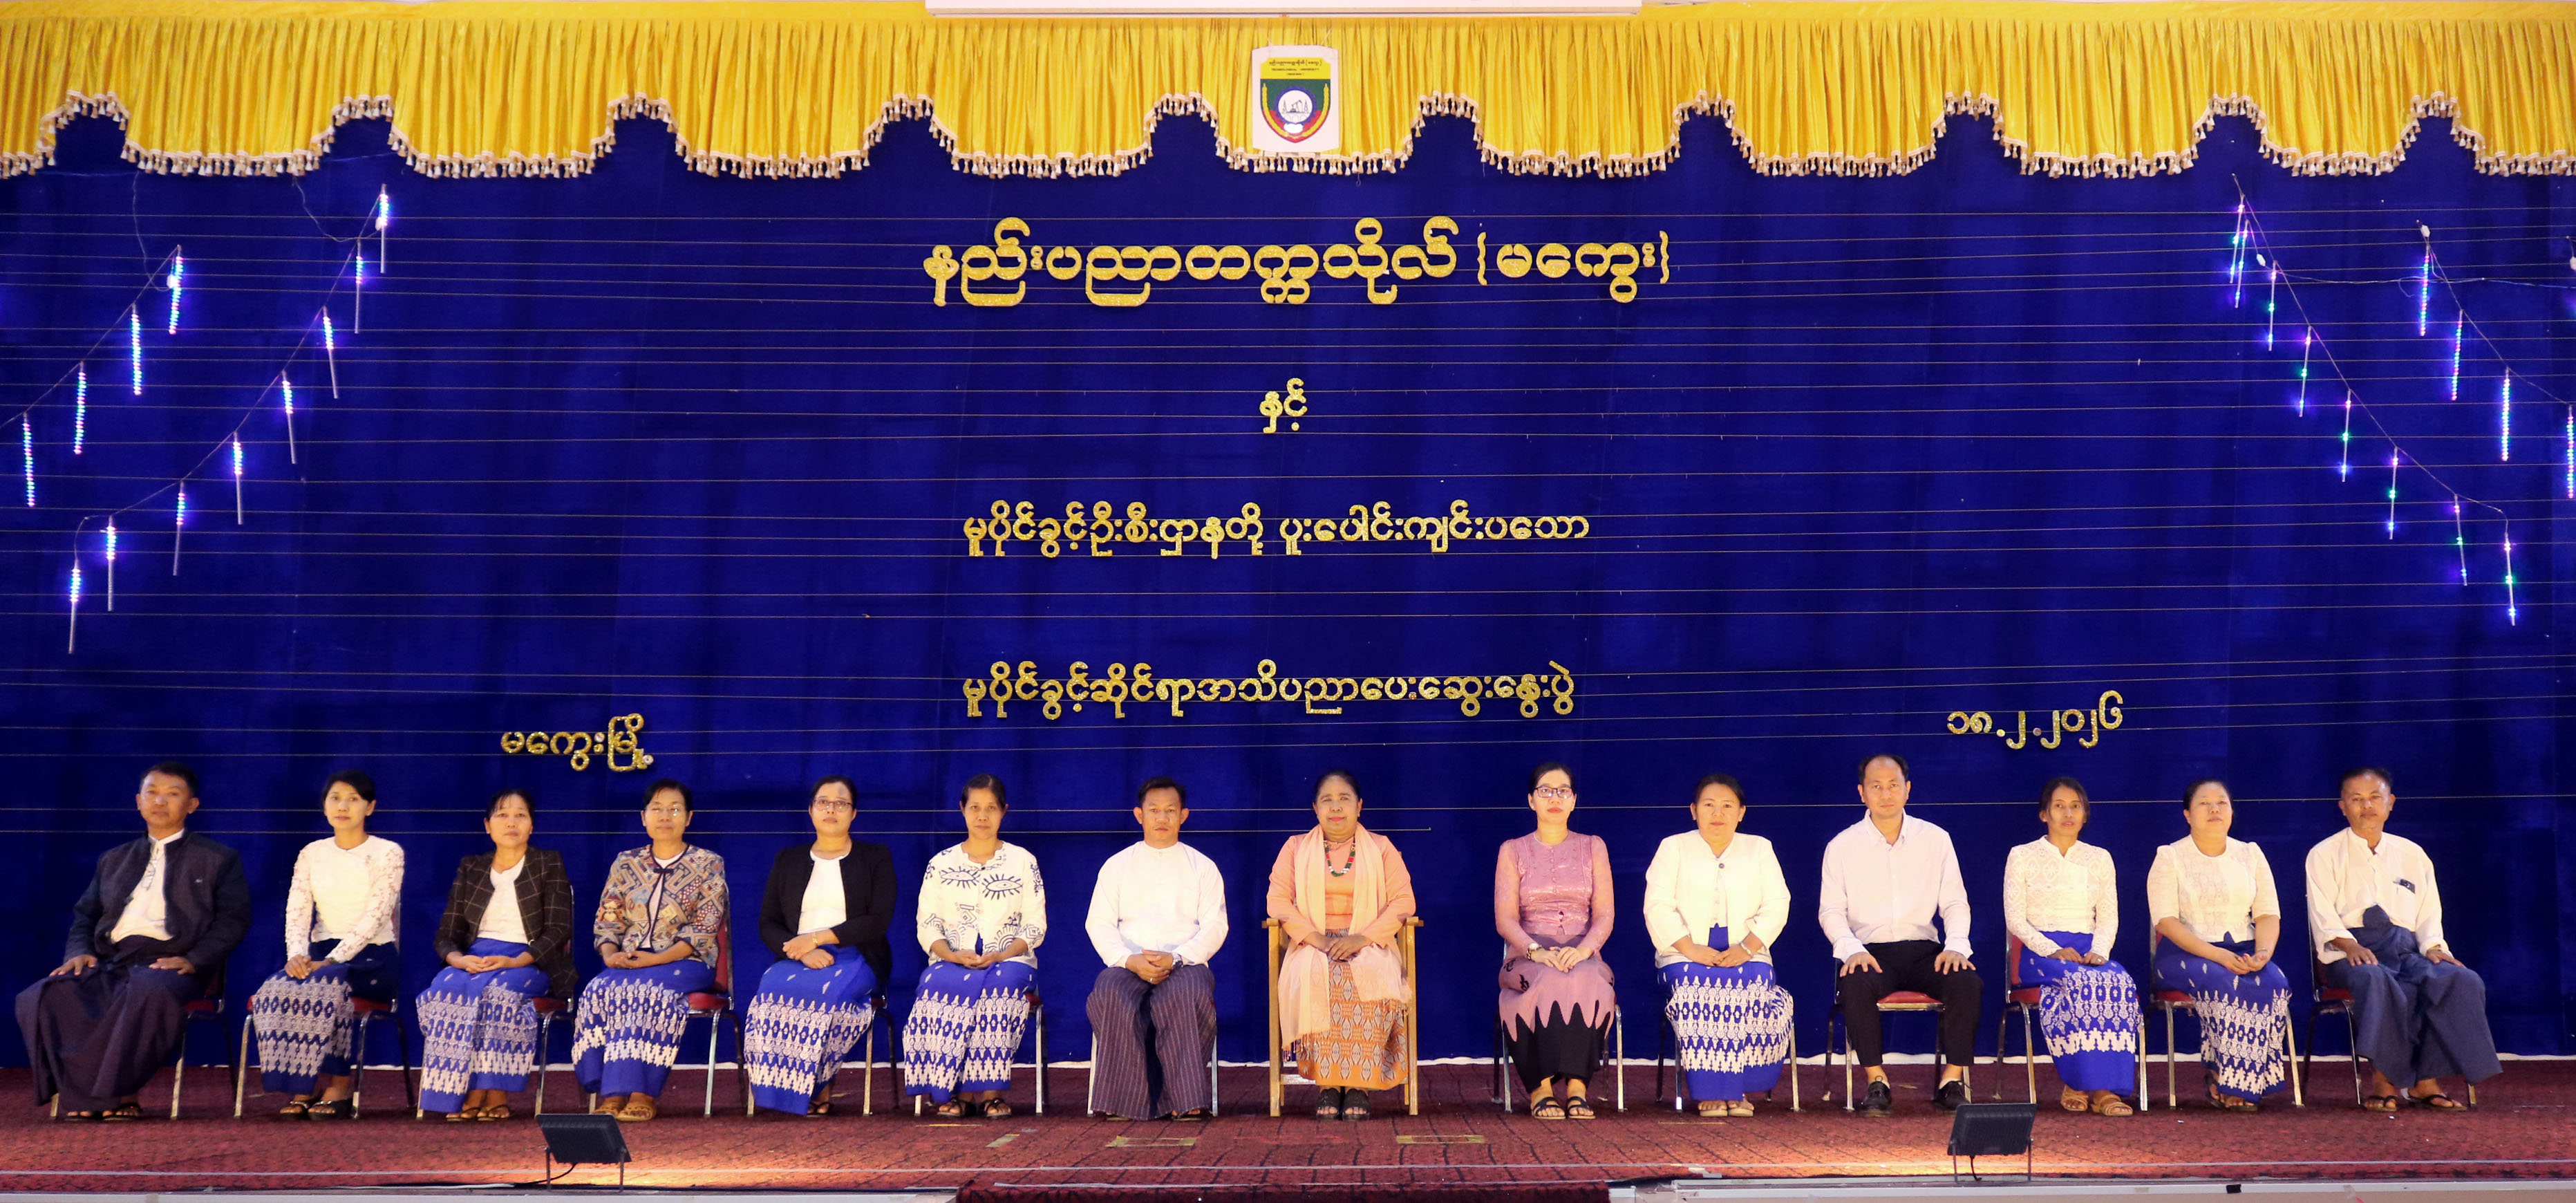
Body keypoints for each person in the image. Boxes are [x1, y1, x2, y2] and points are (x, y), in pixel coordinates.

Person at [17, 762, 249, 1121]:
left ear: (192, 805)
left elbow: (233, 920)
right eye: (152, 793)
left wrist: (196, 958)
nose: (160, 801)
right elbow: (85, 916)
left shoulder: (218, 859)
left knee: (147, 992)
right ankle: (86, 1093)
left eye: (173, 794)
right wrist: (79, 952)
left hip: (172, 963)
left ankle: (120, 1094)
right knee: (43, 995)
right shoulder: (113, 859)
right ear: (139, 802)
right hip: (115, 961)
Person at [2304, 766, 2499, 1112]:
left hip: (2407, 951)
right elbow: (2322, 914)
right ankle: (2384, 1080)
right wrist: (2349, 944)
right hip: (2351, 952)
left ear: (2390, 802)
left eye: (2375, 798)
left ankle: (2426, 1082)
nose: (2367, 806)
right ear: (2343, 806)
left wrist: (2434, 947)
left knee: (2459, 980)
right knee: (2375, 979)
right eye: (2357, 799)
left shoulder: (2413, 854)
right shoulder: (2324, 853)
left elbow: (2428, 912)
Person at [1817, 752, 1978, 1116]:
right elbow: (1831, 911)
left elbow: (1955, 903)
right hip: (1870, 952)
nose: (1886, 794)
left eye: (1893, 785)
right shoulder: (1842, 846)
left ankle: (1951, 1081)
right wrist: (1851, 949)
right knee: (1855, 984)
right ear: (1862, 793)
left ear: (1908, 789)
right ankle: (1877, 1081)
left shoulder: (1935, 839)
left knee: (1967, 982)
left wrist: (1956, 946)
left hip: (1925, 952)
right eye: (1876, 786)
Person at [246, 770, 406, 1119]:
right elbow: (298, 910)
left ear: (370, 807)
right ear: (324, 806)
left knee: (328, 985)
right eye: (335, 798)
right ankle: (302, 1082)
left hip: (371, 958)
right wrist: (297, 956)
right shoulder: (312, 853)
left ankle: (340, 1083)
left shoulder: (387, 853)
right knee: (276, 988)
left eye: (353, 799)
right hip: (319, 954)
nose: (343, 806)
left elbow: (377, 916)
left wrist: (333, 960)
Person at [570, 778, 727, 1122]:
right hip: (629, 962)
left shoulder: (708, 863)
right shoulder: (626, 863)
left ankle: (642, 1094)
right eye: (657, 809)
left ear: (689, 818)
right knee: (598, 989)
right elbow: (608, 919)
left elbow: (703, 928)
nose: (665, 816)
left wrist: (656, 959)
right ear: (644, 817)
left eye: (675, 809)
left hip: (686, 961)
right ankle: (611, 1093)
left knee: (646, 990)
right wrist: (610, 955)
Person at [417, 788, 579, 1120]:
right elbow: (446, 934)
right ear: (488, 826)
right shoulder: (472, 867)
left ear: (532, 825)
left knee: (496, 992)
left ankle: (489, 1094)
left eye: (520, 815)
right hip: (476, 958)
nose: (511, 823)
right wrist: (457, 959)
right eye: (503, 815)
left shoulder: (548, 863)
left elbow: (559, 929)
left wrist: (517, 960)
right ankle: (453, 1091)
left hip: (531, 961)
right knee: (444, 988)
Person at [743, 775, 898, 1117]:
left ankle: (817, 1088)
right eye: (823, 802)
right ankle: (777, 1092)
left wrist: (817, 938)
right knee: (768, 995)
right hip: (797, 955)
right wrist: (802, 950)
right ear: (811, 810)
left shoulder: (875, 857)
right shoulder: (788, 859)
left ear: (853, 813)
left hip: (857, 955)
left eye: (840, 803)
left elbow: (877, 921)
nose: (831, 809)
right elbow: (768, 923)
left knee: (825, 997)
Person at [1269, 769, 1416, 1121]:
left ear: (1359, 806)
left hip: (1368, 940)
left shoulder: (1381, 848)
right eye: (1327, 800)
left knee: (1370, 972)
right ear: (1315, 808)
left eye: (1344, 799)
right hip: (1312, 942)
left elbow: (1403, 901)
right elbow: (1277, 902)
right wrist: (1318, 939)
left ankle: (1359, 1086)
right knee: (1320, 973)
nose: (1336, 807)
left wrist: (1362, 939)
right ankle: (1328, 1085)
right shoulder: (1295, 848)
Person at [1646, 773, 1793, 1117]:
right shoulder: (1674, 847)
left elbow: (1778, 904)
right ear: (1693, 810)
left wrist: (1746, 948)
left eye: (1727, 806)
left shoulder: (1759, 848)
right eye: (1709, 805)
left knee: (1756, 985)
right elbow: (1657, 906)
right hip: (1683, 955)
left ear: (1741, 812)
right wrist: (1691, 949)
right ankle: (1712, 1091)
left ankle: (1738, 1088)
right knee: (1695, 986)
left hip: (1748, 953)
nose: (1718, 813)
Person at [1085, 776, 1228, 1121]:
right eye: (1154, 810)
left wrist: (1177, 957)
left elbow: (1216, 927)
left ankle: (1186, 1100)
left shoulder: (1203, 867)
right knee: (1109, 992)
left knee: (1186, 994)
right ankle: (1124, 1102)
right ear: (1139, 815)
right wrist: (1128, 959)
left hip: (1185, 964)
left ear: (1184, 816)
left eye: (1170, 811)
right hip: (1129, 964)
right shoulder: (1117, 866)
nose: (1162, 818)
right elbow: (1098, 924)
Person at [905, 774, 1047, 1118]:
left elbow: (1035, 925)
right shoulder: (941, 864)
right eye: (975, 808)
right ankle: (952, 1090)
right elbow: (927, 924)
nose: (982, 816)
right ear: (962, 810)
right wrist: (952, 955)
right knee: (936, 984)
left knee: (1000, 987)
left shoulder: (1023, 861)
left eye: (991, 808)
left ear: (1004, 812)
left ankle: (990, 1093)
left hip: (1011, 961)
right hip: (951, 960)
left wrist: (1001, 954)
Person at [2146, 777, 2289, 1112]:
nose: (2214, 809)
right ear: (2188, 814)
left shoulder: (2251, 854)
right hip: (2184, 953)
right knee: (2226, 980)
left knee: (2275, 981)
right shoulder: (2170, 856)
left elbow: (2268, 914)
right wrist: (2218, 955)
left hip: (2244, 950)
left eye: (2221, 803)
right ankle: (2230, 1078)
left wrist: (2263, 953)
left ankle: (2244, 1078)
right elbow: (2165, 922)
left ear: (2232, 811)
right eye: (2204, 804)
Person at [2000, 776, 2138, 1117]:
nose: (2068, 814)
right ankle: (2081, 1083)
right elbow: (2014, 918)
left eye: (2076, 807)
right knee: (2080, 982)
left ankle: (2105, 1089)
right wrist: (2051, 949)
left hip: (2088, 950)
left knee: (2119, 981)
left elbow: (2109, 916)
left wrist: (2100, 951)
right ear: (2044, 814)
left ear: (2085, 814)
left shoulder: (2100, 858)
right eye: (2059, 807)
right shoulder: (2022, 855)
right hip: (2038, 953)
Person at [1495, 762, 1616, 1120]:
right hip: (1528, 954)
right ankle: (1541, 1088)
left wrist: (1582, 951)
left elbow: (1605, 915)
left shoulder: (1593, 847)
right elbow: (1505, 919)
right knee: (1546, 979)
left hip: (1583, 952)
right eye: (1545, 791)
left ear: (1574, 800)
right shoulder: (1513, 850)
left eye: (1563, 791)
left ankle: (1578, 1088)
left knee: (1588, 978)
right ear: (1531, 800)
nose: (1555, 798)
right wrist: (1537, 951)